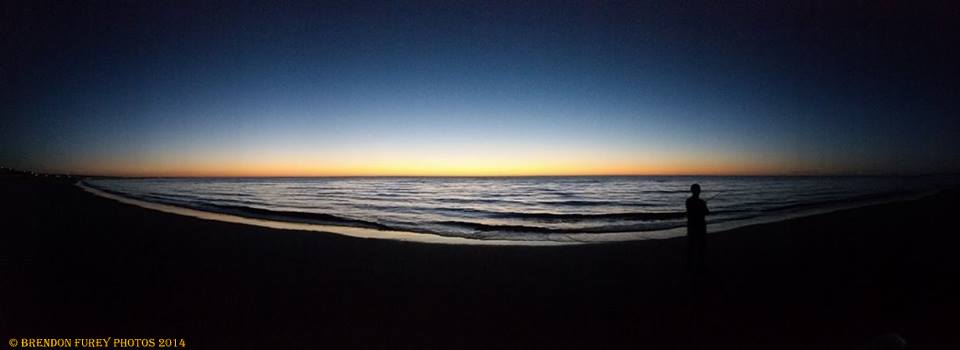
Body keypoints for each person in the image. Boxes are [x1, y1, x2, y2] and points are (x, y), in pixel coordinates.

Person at [685, 183, 709, 273]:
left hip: (691, 225)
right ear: (699, 191)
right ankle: (701, 264)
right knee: (701, 246)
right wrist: (704, 205)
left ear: (691, 191)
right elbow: (707, 213)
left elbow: (689, 212)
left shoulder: (688, 201)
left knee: (691, 245)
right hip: (701, 226)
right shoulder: (701, 202)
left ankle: (689, 264)